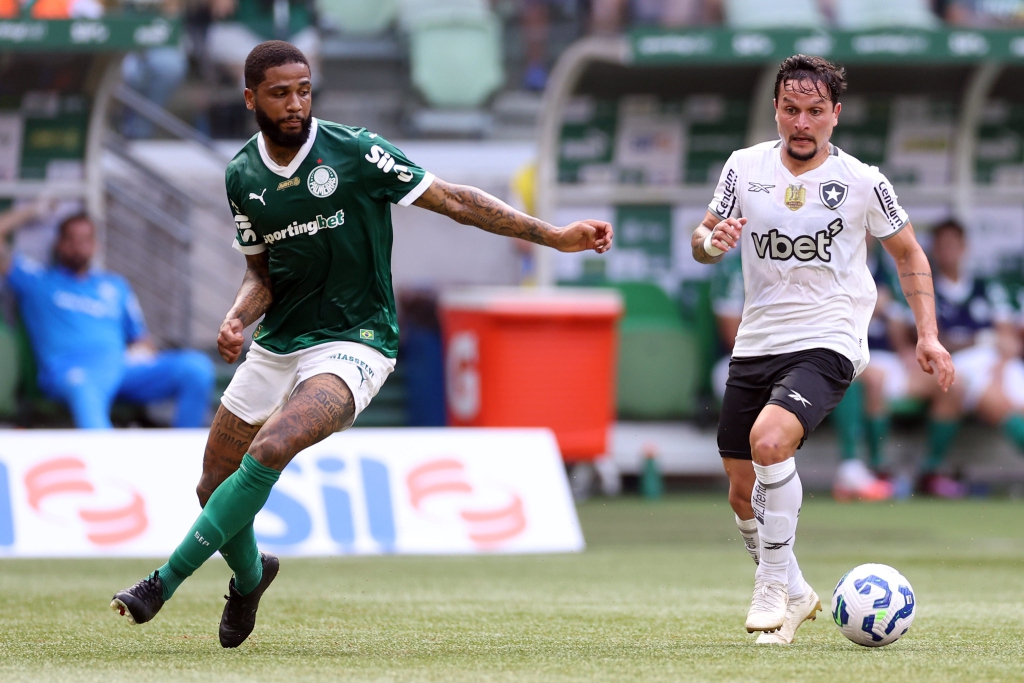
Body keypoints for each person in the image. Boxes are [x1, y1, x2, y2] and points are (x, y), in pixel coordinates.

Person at [110, 40, 613, 647]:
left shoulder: (356, 151)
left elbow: (452, 197)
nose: (295, 104)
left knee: (273, 446)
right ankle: (250, 577)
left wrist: (555, 236)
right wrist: (237, 317)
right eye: (279, 93)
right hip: (279, 343)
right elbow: (262, 274)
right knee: (212, 485)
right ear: (249, 99)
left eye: (303, 90)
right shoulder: (242, 175)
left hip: (357, 341)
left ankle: (160, 583)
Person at [692, 54, 953, 645]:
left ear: (835, 115)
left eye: (814, 111)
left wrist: (928, 334)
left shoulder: (863, 181)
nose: (801, 123)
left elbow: (909, 254)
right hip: (757, 340)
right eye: (791, 109)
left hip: (829, 337)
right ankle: (798, 591)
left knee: (769, 442)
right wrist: (714, 242)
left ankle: (770, 582)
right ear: (777, 110)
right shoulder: (744, 167)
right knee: (739, 488)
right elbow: (702, 242)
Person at [0, 209, 215, 429]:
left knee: (195, 367)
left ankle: (185, 458)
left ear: (95, 244)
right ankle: (108, 461)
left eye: (86, 239)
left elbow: (142, 341)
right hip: (73, 372)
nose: (78, 246)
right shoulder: (38, 282)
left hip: (121, 368)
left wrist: (138, 353)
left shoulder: (115, 286)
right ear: (59, 243)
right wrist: (31, 210)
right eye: (71, 239)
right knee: (84, 387)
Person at [917, 219, 1022, 494]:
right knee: (997, 403)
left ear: (964, 248)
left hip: (998, 363)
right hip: (957, 365)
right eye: (942, 246)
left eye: (953, 244)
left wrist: (1000, 370)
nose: (948, 251)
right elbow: (933, 341)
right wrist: (977, 339)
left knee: (1010, 399)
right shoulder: (927, 290)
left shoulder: (986, 286)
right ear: (934, 251)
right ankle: (931, 472)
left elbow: (1006, 337)